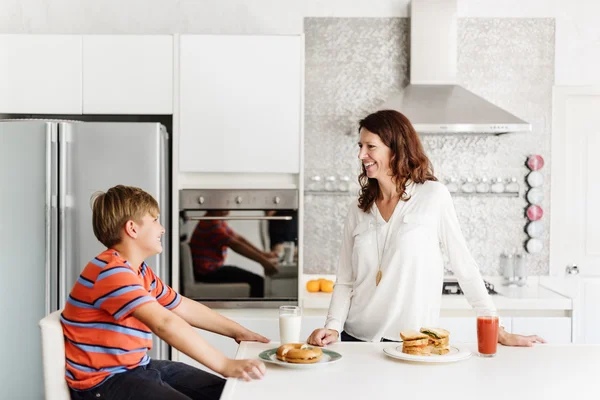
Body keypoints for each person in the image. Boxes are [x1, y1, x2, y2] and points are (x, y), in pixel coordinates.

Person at [307, 110, 545, 347]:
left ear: (395, 149)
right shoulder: (358, 210)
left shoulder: (433, 196)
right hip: (355, 340)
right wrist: (332, 327)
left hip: (412, 343)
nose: (361, 154)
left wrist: (496, 329)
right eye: (360, 146)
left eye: (370, 146)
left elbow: (464, 266)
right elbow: (345, 280)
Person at [62, 185, 269, 400]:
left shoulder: (140, 271)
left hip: (138, 366)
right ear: (132, 229)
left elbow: (181, 306)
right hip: (104, 381)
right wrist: (224, 364)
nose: (162, 229)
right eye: (155, 221)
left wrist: (238, 332)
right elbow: (164, 323)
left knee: (227, 392)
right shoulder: (111, 272)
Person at [189, 210, 279, 297]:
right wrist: (264, 262)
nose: (229, 210)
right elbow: (235, 245)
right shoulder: (211, 224)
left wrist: (263, 254)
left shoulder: (215, 220)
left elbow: (238, 238)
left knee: (256, 280)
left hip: (211, 269)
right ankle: (254, 311)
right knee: (258, 282)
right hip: (207, 273)